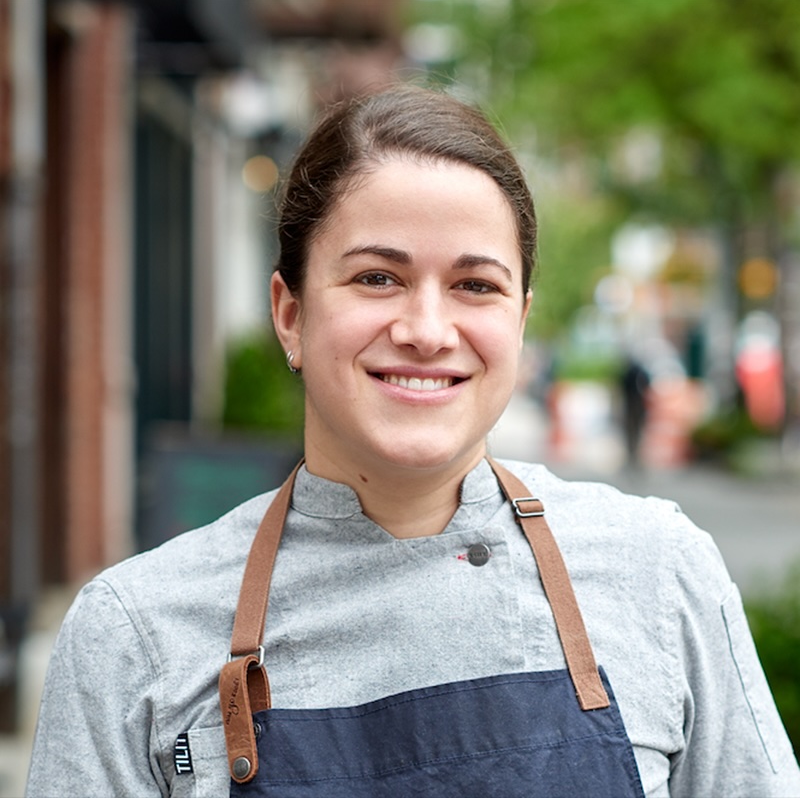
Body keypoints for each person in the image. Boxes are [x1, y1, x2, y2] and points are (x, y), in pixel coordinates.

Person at [27, 85, 800, 798]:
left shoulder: (660, 576)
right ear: (290, 314)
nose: (428, 332)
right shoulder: (135, 636)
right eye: (376, 278)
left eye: (475, 286)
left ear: (521, 322)